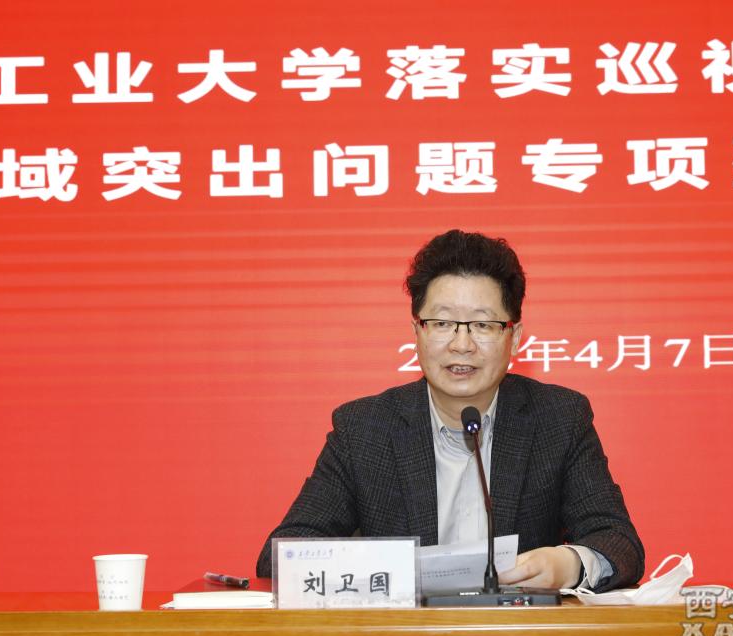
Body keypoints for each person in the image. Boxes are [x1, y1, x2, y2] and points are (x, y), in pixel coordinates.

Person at [256, 230, 643, 591]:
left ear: (514, 338)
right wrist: (385, 569)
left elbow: (619, 543)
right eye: (442, 322)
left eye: (483, 325)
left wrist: (570, 564)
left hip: (519, 635)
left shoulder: (558, 419)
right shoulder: (364, 430)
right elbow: (282, 556)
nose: (462, 344)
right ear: (417, 332)